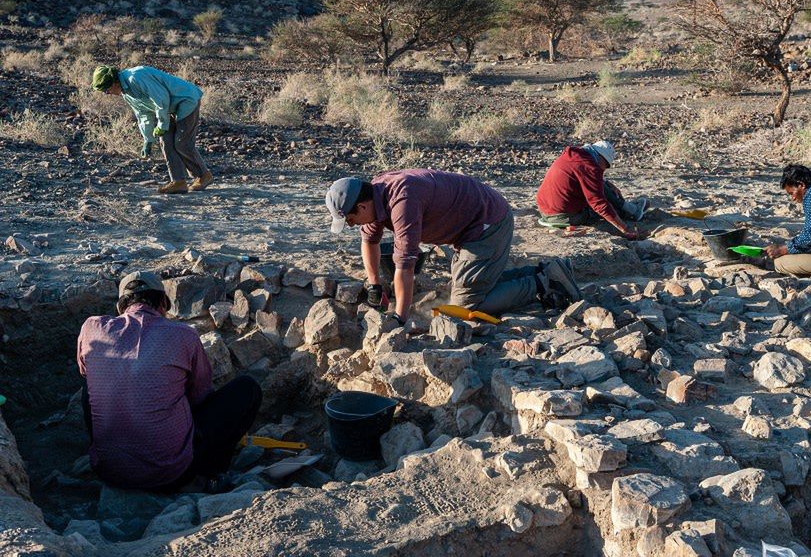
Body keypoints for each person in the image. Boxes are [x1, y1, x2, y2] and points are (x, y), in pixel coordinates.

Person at [77, 271, 261, 492]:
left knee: (89, 390)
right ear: (163, 302)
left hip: (108, 471)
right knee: (247, 388)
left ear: (122, 305)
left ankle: (112, 450)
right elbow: (199, 395)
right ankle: (210, 474)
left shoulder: (92, 328)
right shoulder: (184, 334)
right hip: (171, 475)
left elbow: (86, 371)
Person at [325, 169, 582, 323]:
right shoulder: (375, 195)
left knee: (467, 305)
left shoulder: (402, 201)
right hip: (468, 229)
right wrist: (374, 284)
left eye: (349, 220)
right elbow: (369, 240)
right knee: (471, 286)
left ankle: (545, 283)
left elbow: (404, 263)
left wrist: (399, 318)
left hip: (487, 224)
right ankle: (548, 271)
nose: (350, 225)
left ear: (361, 206)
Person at [91, 65, 213, 194]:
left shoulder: (136, 78)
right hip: (169, 108)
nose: (107, 94)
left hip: (185, 99)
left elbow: (161, 99)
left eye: (106, 90)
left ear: (114, 81)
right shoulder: (126, 93)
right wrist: (147, 140)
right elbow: (143, 114)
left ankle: (203, 176)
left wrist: (161, 125)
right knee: (166, 141)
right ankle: (178, 182)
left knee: (182, 143)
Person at [536, 140, 643, 239]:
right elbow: (599, 204)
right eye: (606, 165)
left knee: (603, 186)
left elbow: (583, 175)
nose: (604, 169)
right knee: (603, 210)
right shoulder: (590, 167)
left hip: (544, 210)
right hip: (563, 216)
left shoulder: (574, 156)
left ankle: (628, 208)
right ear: (601, 158)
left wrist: (604, 182)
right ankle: (628, 212)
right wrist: (625, 229)